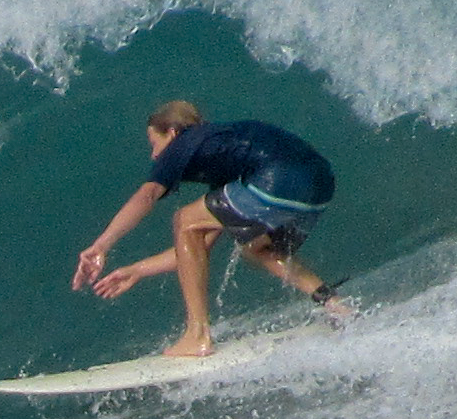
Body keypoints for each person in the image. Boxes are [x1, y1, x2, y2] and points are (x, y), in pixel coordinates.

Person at [71, 100, 349, 357]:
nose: (155, 155)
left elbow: (148, 194)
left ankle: (197, 335)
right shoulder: (226, 154)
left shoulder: (184, 142)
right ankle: (335, 304)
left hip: (277, 177)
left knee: (184, 219)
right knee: (257, 249)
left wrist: (101, 246)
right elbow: (196, 248)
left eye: (154, 143)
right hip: (320, 185)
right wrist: (137, 270)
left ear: (172, 132)